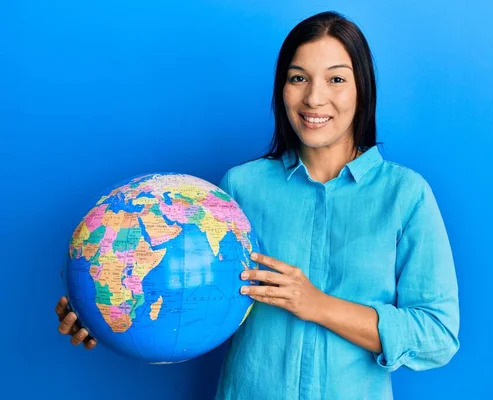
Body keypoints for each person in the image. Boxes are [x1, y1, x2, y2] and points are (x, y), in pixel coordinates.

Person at [55, 11, 460, 400]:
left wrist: (317, 304)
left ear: (362, 89)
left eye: (336, 79)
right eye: (297, 78)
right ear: (281, 88)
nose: (314, 97)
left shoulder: (406, 195)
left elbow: (437, 335)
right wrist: (104, 314)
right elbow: (193, 297)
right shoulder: (240, 187)